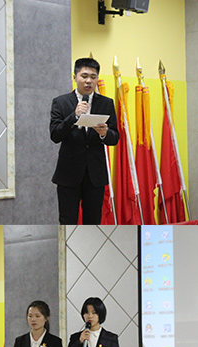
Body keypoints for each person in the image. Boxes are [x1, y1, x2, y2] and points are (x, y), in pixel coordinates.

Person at [50, 58, 119, 225]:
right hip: (68, 174)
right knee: (67, 221)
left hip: (95, 175)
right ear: (75, 77)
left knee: (93, 222)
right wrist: (74, 116)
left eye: (93, 77)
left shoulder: (106, 103)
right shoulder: (61, 102)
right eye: (84, 76)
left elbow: (115, 137)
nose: (89, 81)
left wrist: (104, 134)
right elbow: (55, 135)